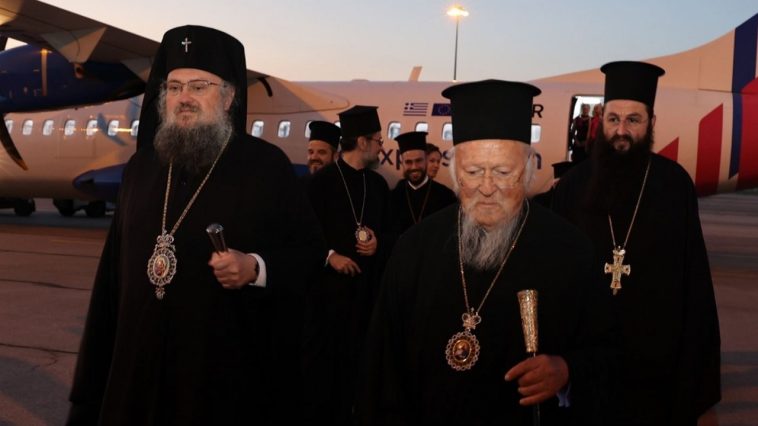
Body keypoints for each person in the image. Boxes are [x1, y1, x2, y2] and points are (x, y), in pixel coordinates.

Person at [66, 25, 325, 425]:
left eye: (199, 86)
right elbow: (110, 285)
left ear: (229, 97)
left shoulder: (265, 167)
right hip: (136, 380)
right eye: (174, 87)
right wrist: (88, 395)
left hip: (220, 383)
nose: (184, 98)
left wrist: (255, 267)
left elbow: (310, 254)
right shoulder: (141, 168)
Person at [357, 80, 614, 425]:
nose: (488, 187)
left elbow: (607, 352)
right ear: (454, 171)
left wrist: (567, 369)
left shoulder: (571, 250)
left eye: (503, 172)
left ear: (528, 170)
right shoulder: (415, 248)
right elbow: (383, 364)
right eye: (473, 172)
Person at [552, 61, 721, 425]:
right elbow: (556, 283)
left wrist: (701, 397)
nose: (621, 131)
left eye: (633, 120)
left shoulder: (674, 185)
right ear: (601, 121)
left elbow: (695, 287)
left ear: (651, 123)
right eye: (613, 119)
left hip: (656, 378)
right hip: (587, 374)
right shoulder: (573, 187)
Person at [304, 105, 390, 425]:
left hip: (365, 299)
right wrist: (330, 256)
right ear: (362, 142)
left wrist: (379, 242)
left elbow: (394, 231)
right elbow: (300, 234)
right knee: (324, 380)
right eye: (378, 140)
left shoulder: (378, 185)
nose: (381, 147)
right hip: (326, 301)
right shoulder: (319, 184)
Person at [388, 131, 456, 235]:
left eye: (418, 161)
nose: (414, 167)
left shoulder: (446, 196)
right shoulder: (393, 197)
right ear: (402, 163)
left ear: (425, 161)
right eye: (408, 162)